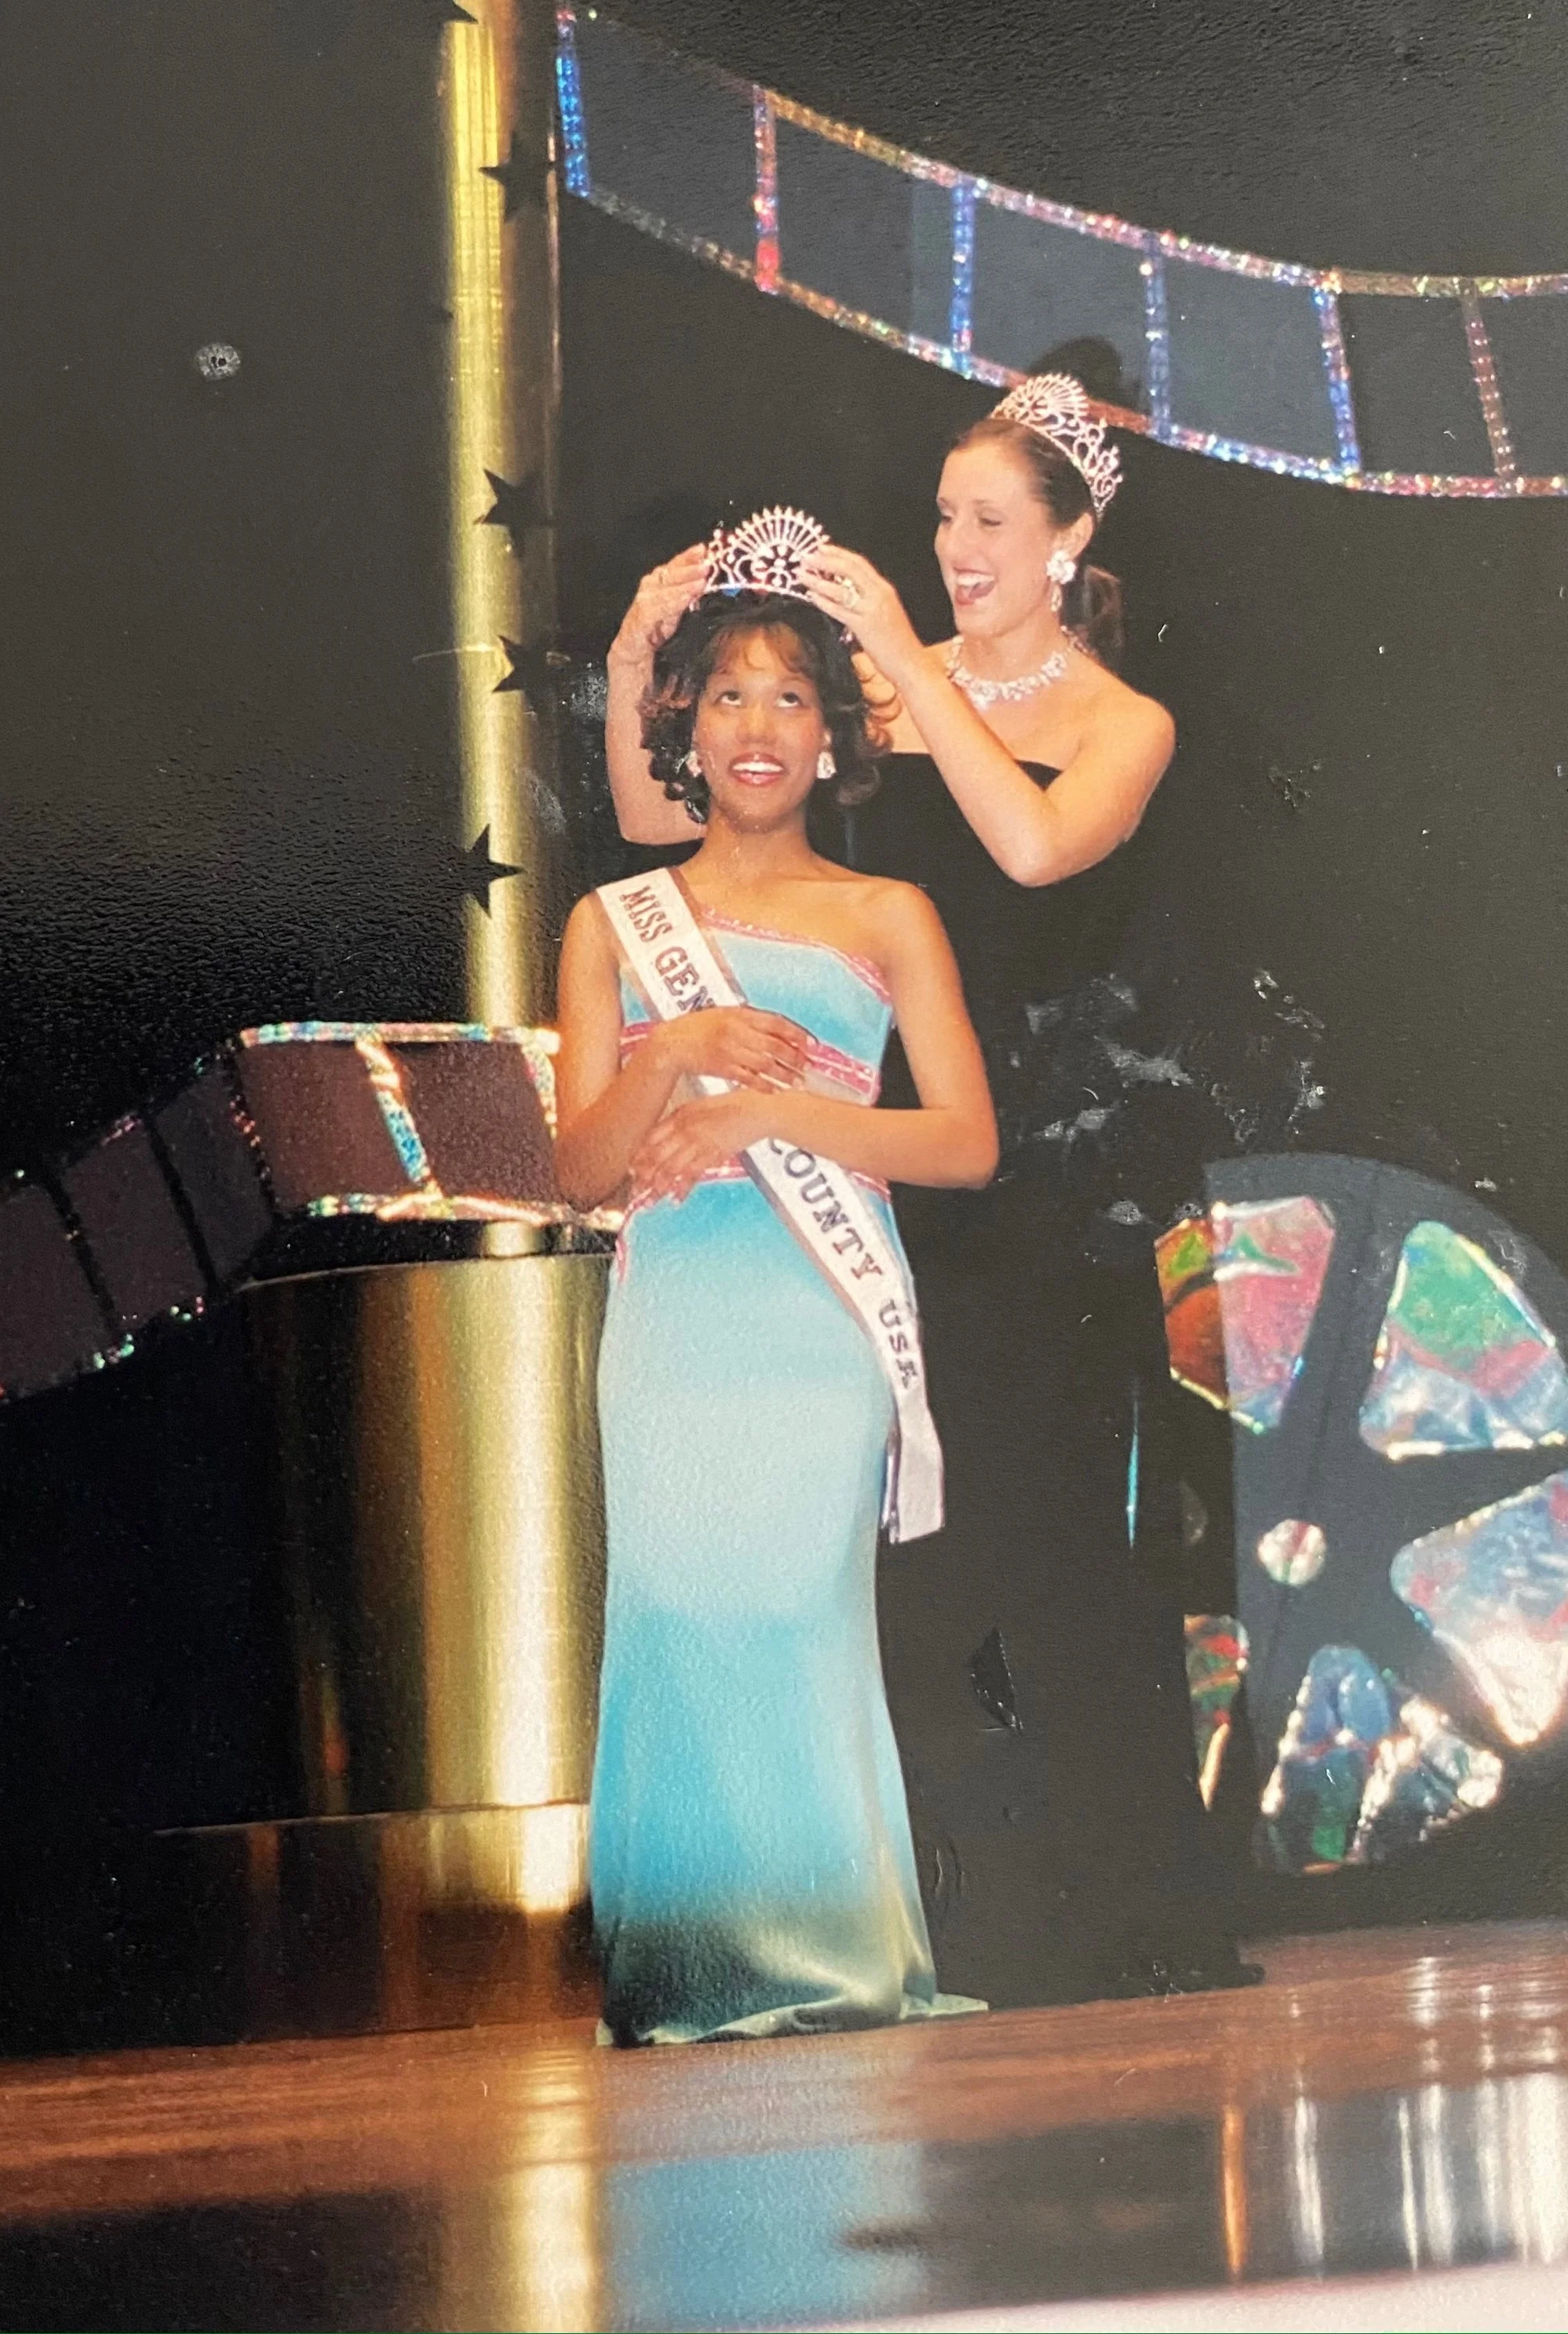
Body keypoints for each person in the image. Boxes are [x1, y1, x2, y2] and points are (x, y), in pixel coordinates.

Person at [603, 379, 1258, 2008]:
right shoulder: (888, 696)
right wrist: (636, 658)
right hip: (882, 1151)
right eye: (943, 516)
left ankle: (1136, 1906)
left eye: (986, 520)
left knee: (1055, 1533)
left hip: (1044, 1164)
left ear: (1066, 538)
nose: (955, 546)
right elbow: (661, 815)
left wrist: (900, 658)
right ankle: (953, 1905)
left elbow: (1034, 848)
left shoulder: (1120, 717)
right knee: (905, 1553)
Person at [555, 555, 998, 2045]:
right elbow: (578, 1169)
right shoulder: (615, 925)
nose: (758, 720)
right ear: (684, 727)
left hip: (815, 1323)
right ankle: (688, 1969)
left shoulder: (888, 914)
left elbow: (964, 1141)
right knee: (679, 1612)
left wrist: (771, 1118)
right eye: (730, 691)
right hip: (676, 1317)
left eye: (791, 694)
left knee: (791, 1613)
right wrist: (674, 1053)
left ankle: (826, 1957)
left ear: (832, 738)